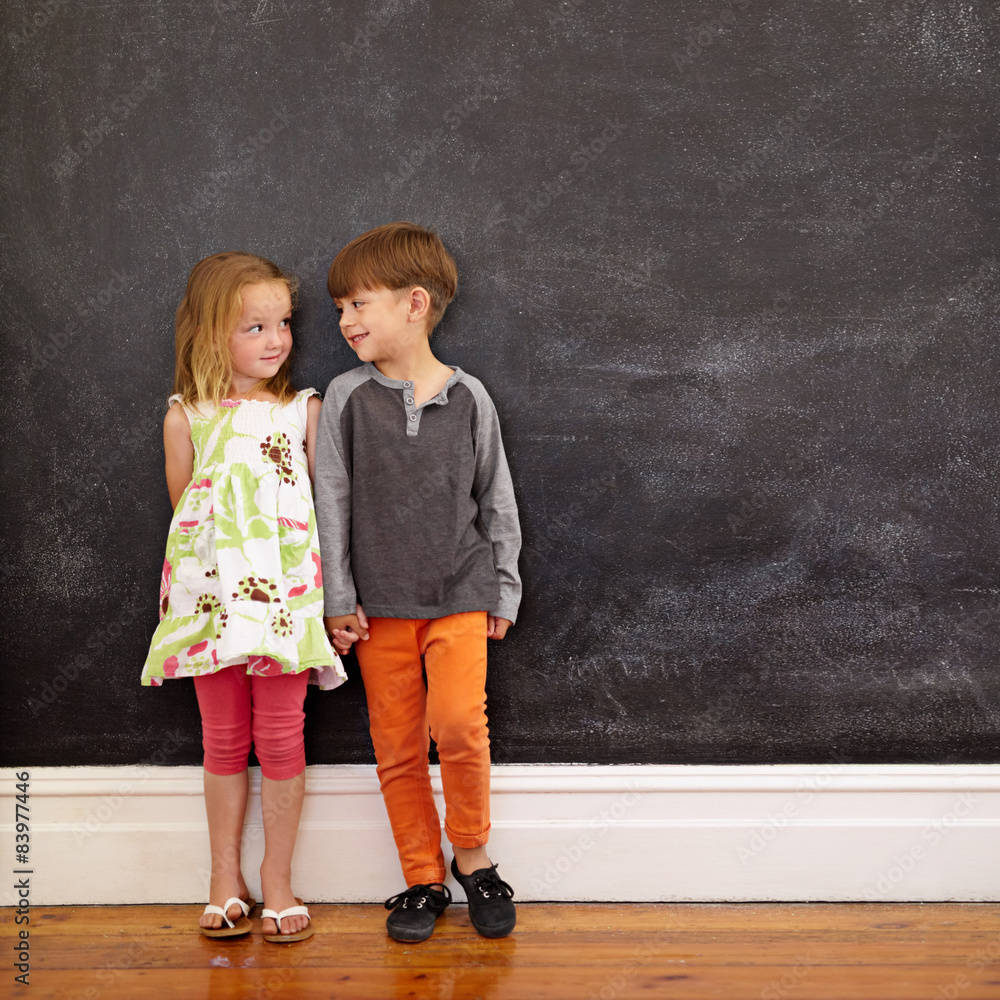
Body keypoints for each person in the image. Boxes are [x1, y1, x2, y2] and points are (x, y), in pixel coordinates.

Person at [315, 222, 522, 942]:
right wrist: (337, 600)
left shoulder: (470, 398)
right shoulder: (344, 398)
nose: (345, 321)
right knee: (397, 744)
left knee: (462, 726)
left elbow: (496, 496)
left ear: (414, 303)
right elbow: (330, 503)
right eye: (339, 307)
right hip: (378, 609)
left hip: (460, 594)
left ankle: (473, 855)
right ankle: (420, 877)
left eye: (358, 304)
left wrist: (504, 585)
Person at [141, 251, 346, 942]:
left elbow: (327, 508)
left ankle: (279, 880)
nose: (277, 339)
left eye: (282, 323)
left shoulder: (301, 410)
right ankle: (222, 878)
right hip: (209, 606)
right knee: (223, 738)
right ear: (210, 335)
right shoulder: (185, 418)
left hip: (284, 603)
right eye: (255, 327)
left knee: (283, 735)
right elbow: (186, 518)